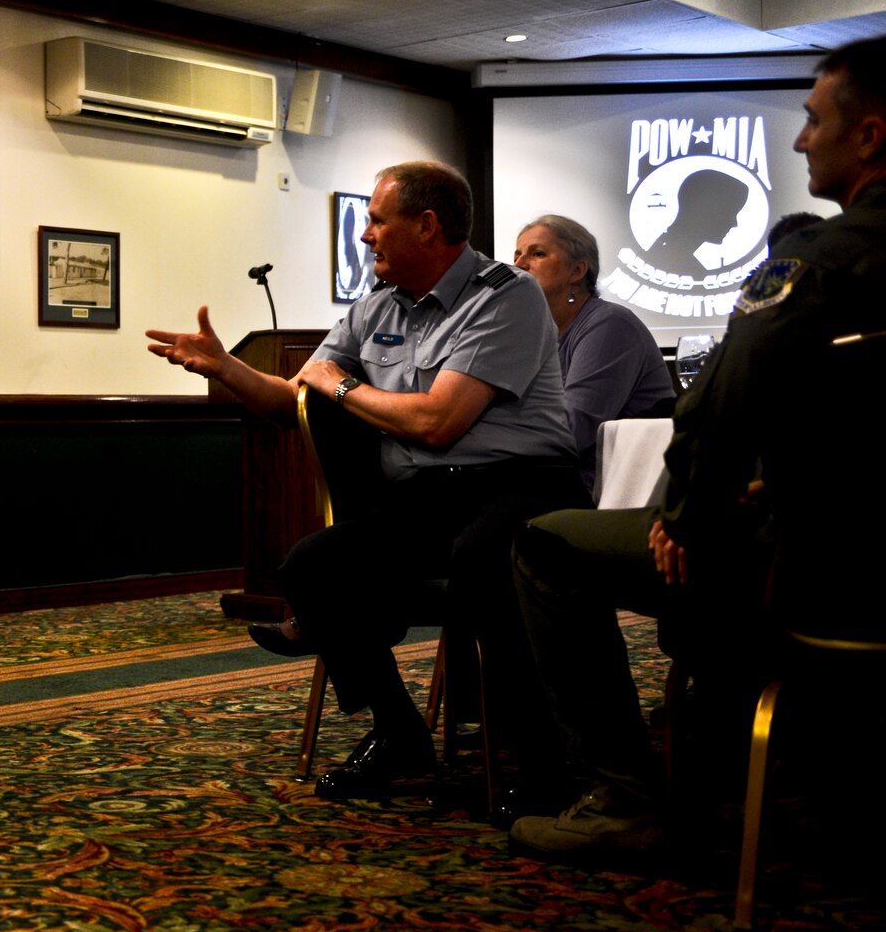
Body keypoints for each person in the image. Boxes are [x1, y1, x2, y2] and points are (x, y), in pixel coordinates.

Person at [509, 36, 886, 862]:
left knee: (546, 543)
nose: (800, 140)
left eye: (813, 120)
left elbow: (718, 405)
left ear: (870, 136)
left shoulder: (820, 261)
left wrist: (684, 515)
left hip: (827, 575)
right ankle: (789, 771)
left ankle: (627, 797)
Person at [147, 160, 585, 801]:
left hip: (522, 486)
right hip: (430, 500)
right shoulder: (375, 307)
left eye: (377, 220)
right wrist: (227, 368)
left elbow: (438, 421)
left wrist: (343, 386)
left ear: (427, 226)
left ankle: (542, 760)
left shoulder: (505, 295)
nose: (365, 234)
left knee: (481, 560)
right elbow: (296, 400)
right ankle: (400, 732)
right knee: (312, 567)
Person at [511, 215, 676, 490]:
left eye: (537, 254)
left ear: (577, 271)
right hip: (549, 477)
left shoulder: (610, 324)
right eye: (516, 255)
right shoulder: (531, 333)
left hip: (604, 490)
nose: (518, 265)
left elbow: (571, 430)